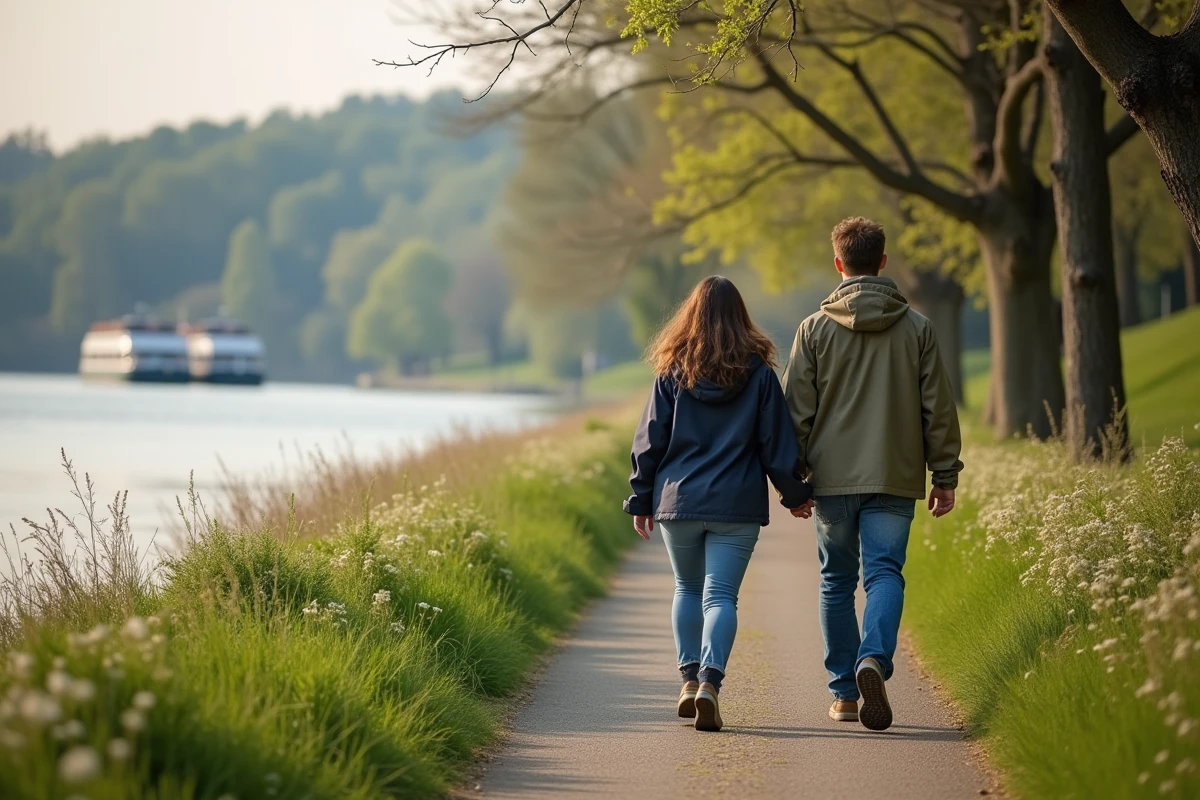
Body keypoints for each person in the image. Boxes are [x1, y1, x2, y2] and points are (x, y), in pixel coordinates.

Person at [782, 217, 963, 732]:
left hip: (832, 483)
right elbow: (938, 409)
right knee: (884, 573)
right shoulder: (919, 329)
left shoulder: (813, 330)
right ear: (883, 262)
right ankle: (873, 659)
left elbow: (796, 410)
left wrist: (794, 481)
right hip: (894, 477)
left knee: (836, 581)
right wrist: (944, 475)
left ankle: (842, 693)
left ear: (839, 264)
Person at [624, 275, 813, 733]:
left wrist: (641, 498)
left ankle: (689, 680)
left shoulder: (671, 374)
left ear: (691, 316)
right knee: (720, 596)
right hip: (736, 504)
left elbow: (650, 442)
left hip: (679, 503)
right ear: (740, 318)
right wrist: (796, 495)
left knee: (687, 589)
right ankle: (710, 682)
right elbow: (776, 445)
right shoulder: (761, 377)